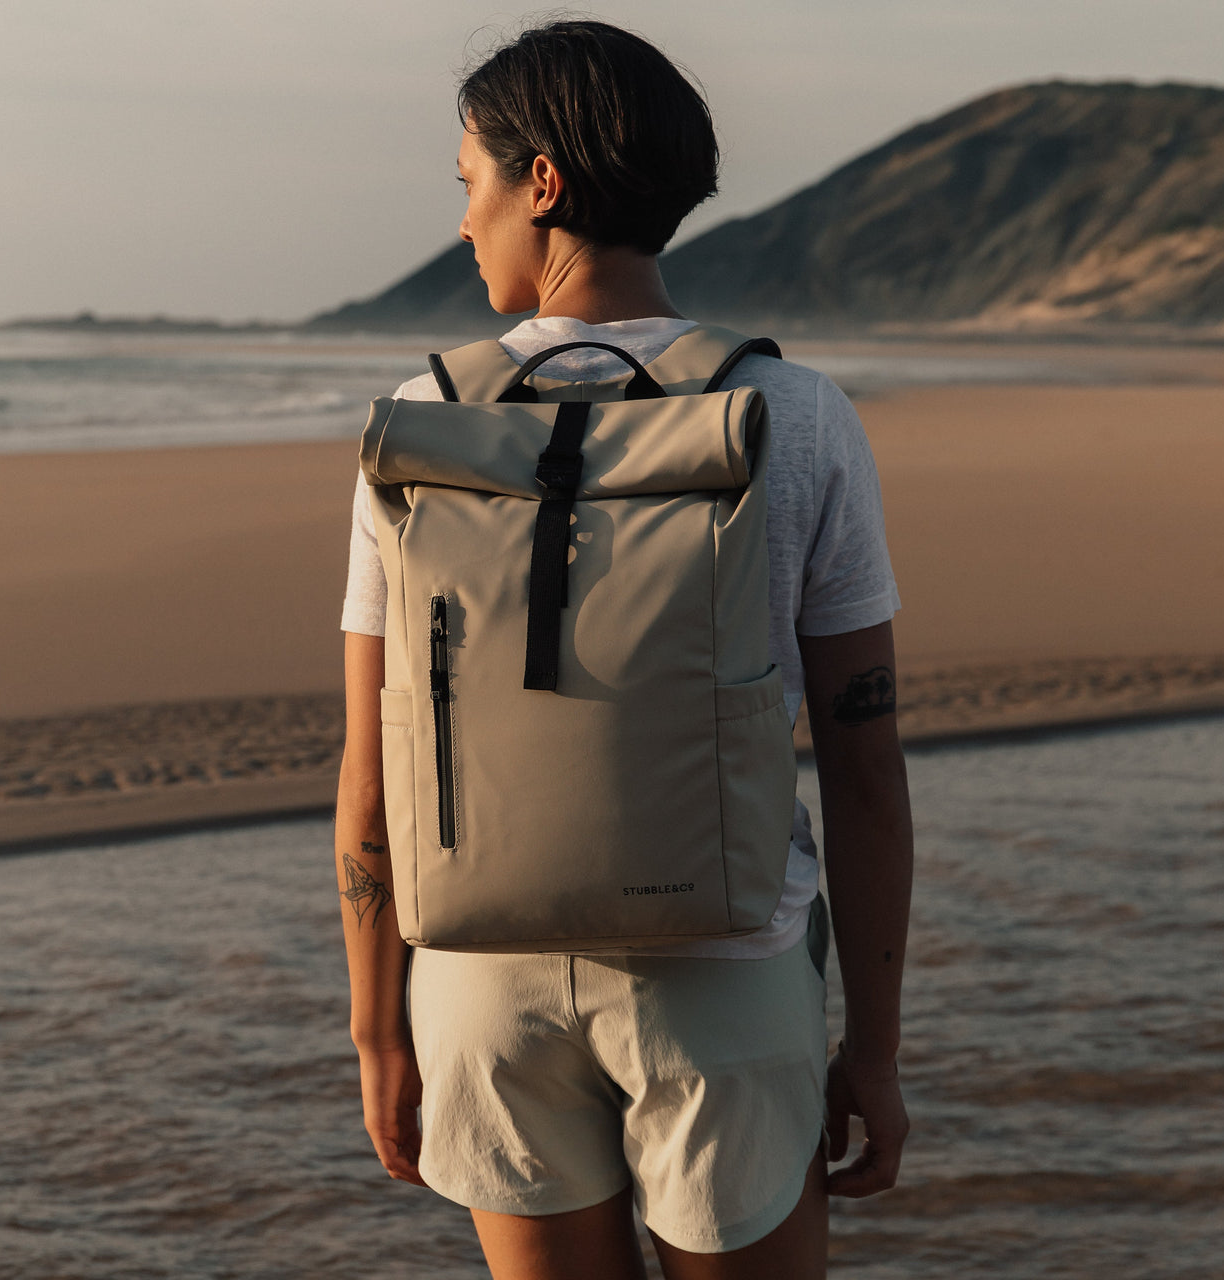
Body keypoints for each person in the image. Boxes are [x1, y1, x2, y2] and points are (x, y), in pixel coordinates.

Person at [336, 20, 912, 1279]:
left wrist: (380, 1028)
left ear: (539, 182)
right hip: (727, 977)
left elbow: (373, 761)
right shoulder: (795, 416)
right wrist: (871, 1044)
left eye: (467, 182)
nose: (462, 219)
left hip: (482, 981)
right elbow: (864, 763)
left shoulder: (422, 424)